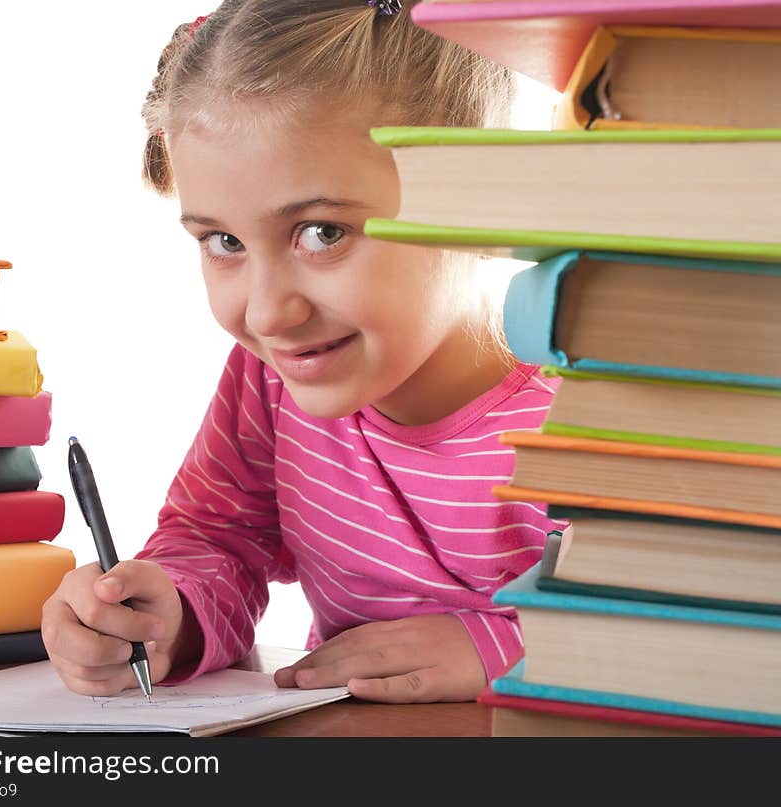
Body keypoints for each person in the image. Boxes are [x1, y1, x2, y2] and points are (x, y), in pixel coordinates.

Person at [41, 0, 563, 704]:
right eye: (223, 242)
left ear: (477, 194)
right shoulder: (275, 378)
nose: (266, 312)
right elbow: (217, 538)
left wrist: (510, 647)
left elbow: (708, 633)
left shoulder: (583, 414)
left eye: (322, 233)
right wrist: (165, 615)